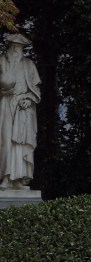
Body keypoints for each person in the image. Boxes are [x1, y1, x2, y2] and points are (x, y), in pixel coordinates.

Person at [0, 32, 41, 188]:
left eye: (20, 46)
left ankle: (19, 179)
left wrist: (28, 99)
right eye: (14, 45)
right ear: (9, 45)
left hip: (23, 108)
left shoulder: (29, 65)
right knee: (5, 140)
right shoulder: (1, 61)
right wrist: (3, 92)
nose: (17, 49)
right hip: (5, 103)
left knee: (20, 143)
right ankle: (5, 177)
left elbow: (36, 89)